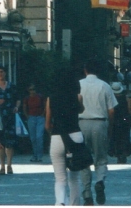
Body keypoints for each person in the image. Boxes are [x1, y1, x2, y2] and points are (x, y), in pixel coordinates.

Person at [46, 66, 86, 207]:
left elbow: (47, 124)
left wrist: (53, 133)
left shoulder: (51, 99)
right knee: (74, 177)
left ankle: (60, 202)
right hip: (75, 135)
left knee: (60, 178)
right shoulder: (77, 97)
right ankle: (75, 204)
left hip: (57, 136)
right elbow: (81, 109)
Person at [78, 58, 117, 206]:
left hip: (81, 123)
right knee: (100, 158)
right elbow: (111, 110)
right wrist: (109, 127)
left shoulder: (79, 85)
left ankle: (87, 193)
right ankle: (100, 180)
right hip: (100, 123)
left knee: (83, 160)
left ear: (85, 70)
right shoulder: (105, 86)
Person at [22, 84, 45, 163]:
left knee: (39, 137)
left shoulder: (40, 97)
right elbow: (24, 107)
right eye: (31, 89)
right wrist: (27, 116)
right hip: (31, 117)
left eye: (34, 89)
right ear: (28, 91)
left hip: (40, 117)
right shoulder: (27, 98)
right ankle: (34, 155)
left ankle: (39, 155)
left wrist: (43, 114)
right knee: (33, 138)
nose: (33, 91)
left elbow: (45, 105)